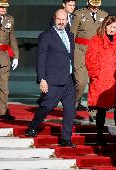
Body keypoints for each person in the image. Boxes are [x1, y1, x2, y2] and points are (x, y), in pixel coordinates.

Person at [27, 9, 76, 148]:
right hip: (53, 79)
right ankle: (33, 125)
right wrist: (42, 79)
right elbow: (40, 59)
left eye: (64, 19)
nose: (61, 22)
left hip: (69, 79)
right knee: (47, 106)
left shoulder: (70, 35)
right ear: (54, 19)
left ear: (67, 20)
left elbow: (70, 56)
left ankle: (66, 139)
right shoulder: (46, 36)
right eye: (59, 19)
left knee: (70, 110)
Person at [85, 15, 116, 146]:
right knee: (101, 109)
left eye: (114, 27)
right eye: (110, 26)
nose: (112, 29)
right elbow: (90, 59)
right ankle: (100, 136)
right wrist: (96, 75)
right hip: (102, 79)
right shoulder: (96, 40)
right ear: (105, 26)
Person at [71, 0, 108, 117]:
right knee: (81, 82)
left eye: (97, 5)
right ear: (88, 3)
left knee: (95, 83)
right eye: (93, 5)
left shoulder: (104, 15)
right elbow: (72, 34)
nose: (95, 8)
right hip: (80, 51)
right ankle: (74, 103)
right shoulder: (79, 14)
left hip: (96, 54)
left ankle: (93, 111)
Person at [0, 0, 19, 120]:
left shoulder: (9, 19)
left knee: (4, 87)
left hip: (4, 57)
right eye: (1, 7)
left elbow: (12, 37)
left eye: (5, 7)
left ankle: (4, 112)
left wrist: (16, 56)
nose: (3, 9)